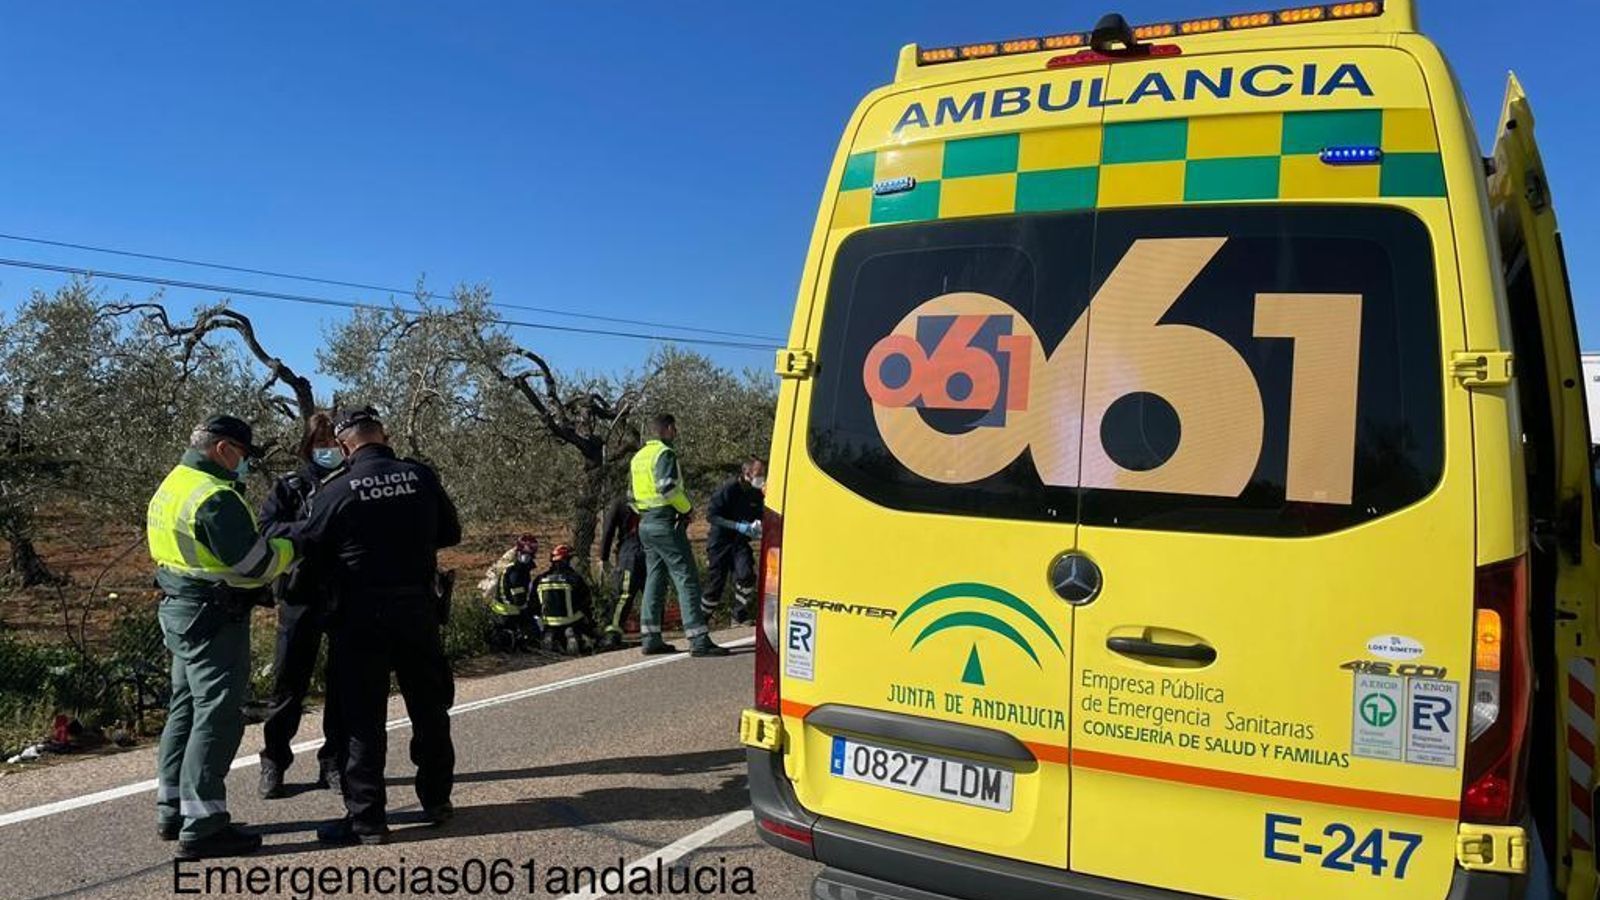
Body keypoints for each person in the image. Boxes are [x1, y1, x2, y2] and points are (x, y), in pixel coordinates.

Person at [291, 406, 461, 846]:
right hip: (418, 610)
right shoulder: (421, 477)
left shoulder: (336, 489)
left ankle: (367, 820)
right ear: (383, 435)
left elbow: (310, 548)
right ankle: (437, 800)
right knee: (429, 707)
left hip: (360, 616)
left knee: (362, 718)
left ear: (344, 445)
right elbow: (451, 533)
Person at [147, 415, 296, 859]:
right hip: (213, 617)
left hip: (180, 612)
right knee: (217, 715)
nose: (245, 464)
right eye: (244, 455)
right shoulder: (215, 497)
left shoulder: (174, 483)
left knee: (185, 709)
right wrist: (293, 547)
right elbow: (255, 565)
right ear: (224, 449)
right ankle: (205, 825)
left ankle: (172, 810)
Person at [257, 412, 348, 800]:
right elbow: (267, 529)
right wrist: (311, 530)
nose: (327, 450)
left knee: (343, 685)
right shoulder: (289, 486)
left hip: (346, 595)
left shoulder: (351, 483)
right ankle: (274, 761)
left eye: (333, 443)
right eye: (319, 444)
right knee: (288, 683)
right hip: (299, 595)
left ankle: (334, 762)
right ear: (307, 447)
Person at [628, 413, 728, 657]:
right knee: (686, 577)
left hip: (646, 523)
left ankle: (650, 638)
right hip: (666, 523)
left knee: (655, 578)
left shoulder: (638, 457)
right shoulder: (665, 454)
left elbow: (630, 497)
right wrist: (686, 509)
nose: (676, 432)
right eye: (675, 428)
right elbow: (668, 487)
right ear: (668, 428)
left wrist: (646, 513)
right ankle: (698, 639)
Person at [702, 458, 766, 626]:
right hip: (720, 543)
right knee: (715, 585)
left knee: (746, 576)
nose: (761, 477)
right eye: (758, 473)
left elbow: (759, 513)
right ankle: (701, 621)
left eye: (763, 473)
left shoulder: (756, 492)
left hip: (740, 542)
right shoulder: (728, 489)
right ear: (746, 473)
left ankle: (739, 616)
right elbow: (712, 516)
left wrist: (758, 526)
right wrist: (736, 526)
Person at [597, 496, 645, 650]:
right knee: (652, 594)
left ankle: (612, 634)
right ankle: (652, 633)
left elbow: (608, 529)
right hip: (652, 551)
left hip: (629, 553)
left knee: (623, 595)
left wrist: (603, 557)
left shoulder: (620, 503)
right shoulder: (654, 499)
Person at [533, 544, 596, 655]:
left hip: (548, 622)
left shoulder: (540, 579)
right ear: (566, 561)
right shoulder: (575, 578)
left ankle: (550, 635)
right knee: (584, 617)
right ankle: (576, 636)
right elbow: (586, 601)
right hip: (571, 621)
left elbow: (533, 603)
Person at [487, 534, 541, 651]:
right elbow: (519, 599)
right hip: (509, 612)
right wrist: (530, 610)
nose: (527, 557)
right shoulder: (516, 571)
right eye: (524, 554)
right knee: (535, 629)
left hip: (503, 611)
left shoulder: (514, 567)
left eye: (530, 554)